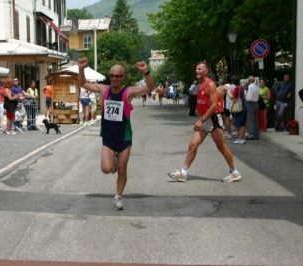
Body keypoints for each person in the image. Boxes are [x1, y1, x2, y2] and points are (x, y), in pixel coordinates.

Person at [77, 57, 155, 210]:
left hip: (124, 137)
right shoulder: (103, 89)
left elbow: (150, 88)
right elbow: (83, 84)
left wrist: (146, 72)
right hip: (108, 137)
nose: (114, 78)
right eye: (112, 75)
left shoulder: (129, 92)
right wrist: (81, 68)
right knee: (106, 169)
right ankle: (113, 161)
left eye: (118, 76)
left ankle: (118, 196)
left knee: (122, 169)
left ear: (123, 77)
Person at [168, 61, 242, 183]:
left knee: (221, 147)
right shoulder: (198, 86)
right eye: (196, 69)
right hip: (204, 119)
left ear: (206, 71)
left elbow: (213, 105)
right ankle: (183, 172)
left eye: (200, 69)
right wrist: (200, 114)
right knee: (192, 145)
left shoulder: (210, 85)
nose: (197, 71)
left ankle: (234, 171)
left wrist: (201, 120)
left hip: (213, 119)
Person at [229, 77, 248, 144]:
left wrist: (229, 92)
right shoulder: (242, 87)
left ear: (233, 82)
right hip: (244, 106)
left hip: (239, 108)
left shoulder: (237, 88)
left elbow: (232, 97)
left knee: (239, 124)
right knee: (243, 123)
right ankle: (242, 138)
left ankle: (241, 138)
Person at [245, 76, 260, 140]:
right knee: (256, 120)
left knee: (251, 121)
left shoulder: (250, 87)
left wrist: (246, 98)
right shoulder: (256, 87)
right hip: (256, 103)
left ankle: (251, 134)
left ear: (249, 81)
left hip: (251, 104)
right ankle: (256, 134)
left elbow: (249, 98)